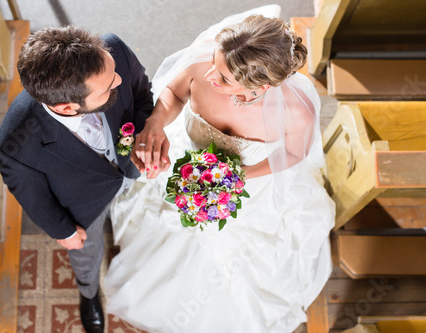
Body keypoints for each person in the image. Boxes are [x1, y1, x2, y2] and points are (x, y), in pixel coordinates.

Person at [104, 5, 335, 333]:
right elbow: (174, 91)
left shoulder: (297, 113)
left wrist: (241, 177)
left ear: (260, 88)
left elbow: (295, 152)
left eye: (223, 78)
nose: (209, 77)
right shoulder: (204, 62)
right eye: (215, 63)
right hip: (188, 159)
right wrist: (155, 122)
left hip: (249, 185)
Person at [0, 26, 154, 333]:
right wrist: (63, 230)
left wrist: (145, 135)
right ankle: (89, 293)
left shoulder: (112, 51)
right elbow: (32, 195)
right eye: (107, 88)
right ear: (66, 108)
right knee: (85, 255)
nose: (118, 80)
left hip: (129, 167)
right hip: (83, 206)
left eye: (114, 72)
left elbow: (142, 92)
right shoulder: (15, 145)